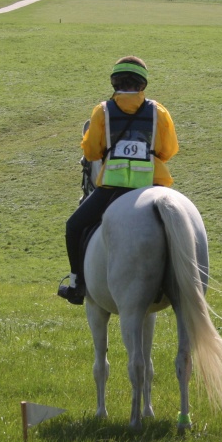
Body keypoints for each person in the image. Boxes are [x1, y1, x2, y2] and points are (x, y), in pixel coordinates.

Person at [57, 56, 179, 304]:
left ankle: (76, 283)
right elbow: (169, 151)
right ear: (142, 84)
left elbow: (90, 153)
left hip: (112, 187)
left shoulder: (102, 112)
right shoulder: (160, 112)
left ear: (114, 82)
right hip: (151, 186)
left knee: (74, 227)